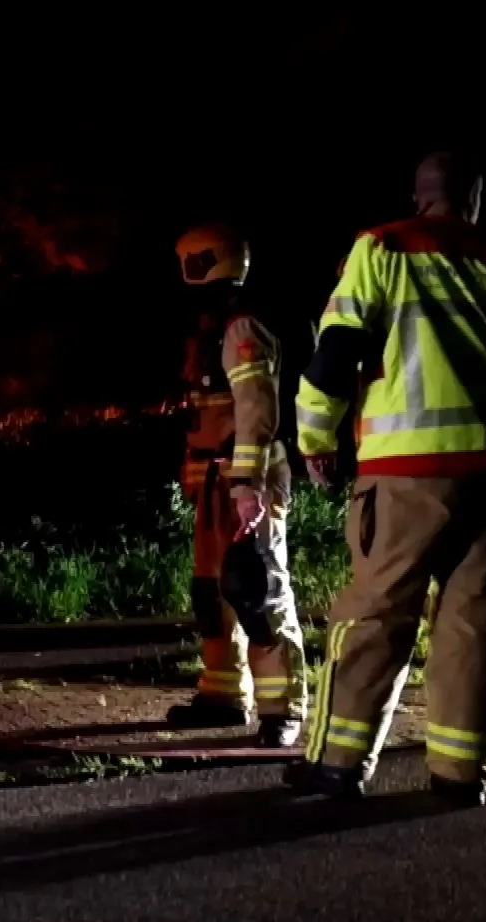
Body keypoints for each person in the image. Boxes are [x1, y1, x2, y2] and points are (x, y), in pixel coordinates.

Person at [289, 152, 486, 806]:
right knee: (476, 626)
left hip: (406, 472)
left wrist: (313, 435)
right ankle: (461, 773)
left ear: (420, 198)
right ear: (473, 200)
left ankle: (338, 765)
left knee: (376, 617)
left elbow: (336, 352)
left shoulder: (383, 247)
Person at [168, 224, 309, 747]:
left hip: (244, 477)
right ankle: (223, 695)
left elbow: (256, 408)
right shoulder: (212, 326)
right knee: (213, 591)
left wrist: (247, 483)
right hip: (214, 478)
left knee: (259, 590)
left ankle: (282, 710)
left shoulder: (243, 326)